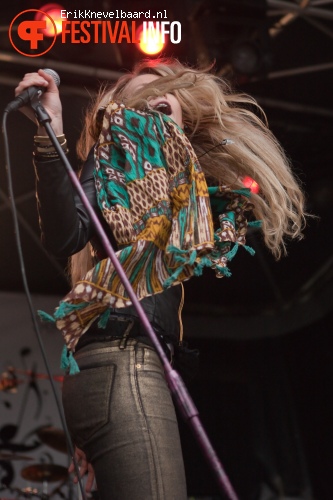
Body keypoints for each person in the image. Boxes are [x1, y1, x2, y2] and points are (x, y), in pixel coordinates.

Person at [15, 58, 306, 499]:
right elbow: (66, 231)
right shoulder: (116, 154)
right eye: (142, 97)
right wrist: (50, 130)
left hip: (120, 369)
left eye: (166, 93)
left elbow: (224, 205)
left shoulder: (179, 184)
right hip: (124, 362)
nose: (154, 101)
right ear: (121, 110)